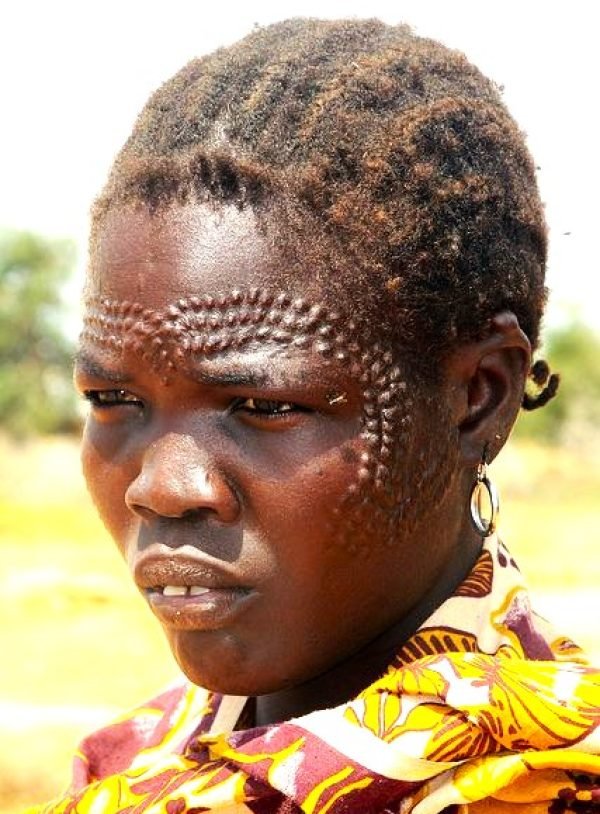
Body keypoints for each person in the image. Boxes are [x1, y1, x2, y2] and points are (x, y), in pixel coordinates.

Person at [31, 18, 600, 814]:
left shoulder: (540, 786)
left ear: (480, 397)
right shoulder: (150, 760)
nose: (162, 489)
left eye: (263, 405)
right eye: (112, 400)